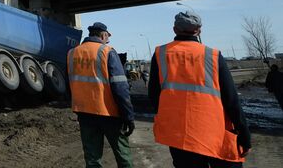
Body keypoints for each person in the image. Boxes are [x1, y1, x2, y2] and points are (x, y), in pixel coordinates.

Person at [149, 11, 251, 167]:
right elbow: (231, 99)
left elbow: (154, 97)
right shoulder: (213, 55)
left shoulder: (160, 54)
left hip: (179, 135)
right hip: (214, 131)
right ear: (199, 30)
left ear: (175, 29)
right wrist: (244, 133)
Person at [66, 22, 134, 168]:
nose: (107, 40)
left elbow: (69, 83)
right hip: (108, 112)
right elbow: (120, 87)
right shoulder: (107, 51)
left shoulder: (72, 53)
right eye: (107, 37)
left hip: (84, 113)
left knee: (92, 158)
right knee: (122, 154)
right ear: (103, 35)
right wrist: (128, 115)